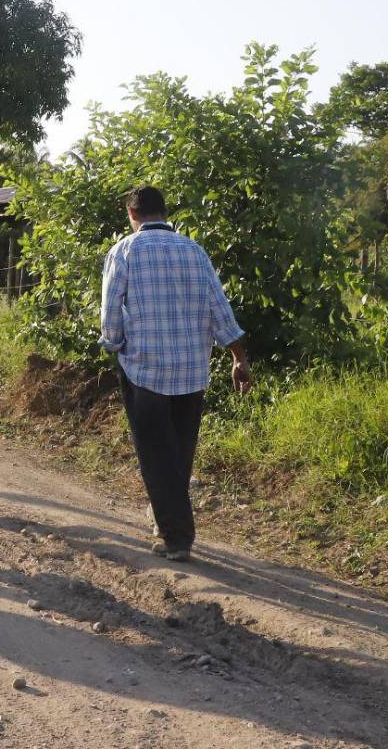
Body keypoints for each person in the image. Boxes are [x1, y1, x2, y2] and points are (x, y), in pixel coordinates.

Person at [99, 185, 252, 562]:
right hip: (191, 370)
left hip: (145, 368)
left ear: (131, 215)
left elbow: (110, 311)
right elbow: (220, 308)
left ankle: (176, 537)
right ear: (165, 213)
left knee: (155, 453)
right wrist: (238, 358)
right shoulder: (195, 251)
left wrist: (115, 345)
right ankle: (164, 520)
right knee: (180, 452)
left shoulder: (124, 251)